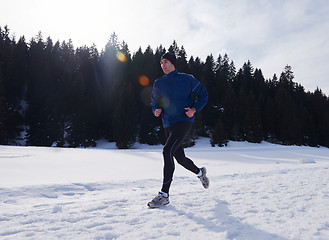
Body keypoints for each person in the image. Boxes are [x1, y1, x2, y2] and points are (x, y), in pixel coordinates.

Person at [148, 52, 209, 208]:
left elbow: (203, 95)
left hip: (183, 120)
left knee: (166, 151)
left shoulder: (187, 79)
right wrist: (155, 109)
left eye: (166, 62)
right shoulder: (158, 83)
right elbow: (154, 101)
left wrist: (194, 109)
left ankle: (164, 195)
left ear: (173, 63)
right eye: (161, 63)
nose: (163, 65)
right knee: (180, 158)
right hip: (168, 123)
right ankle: (200, 173)